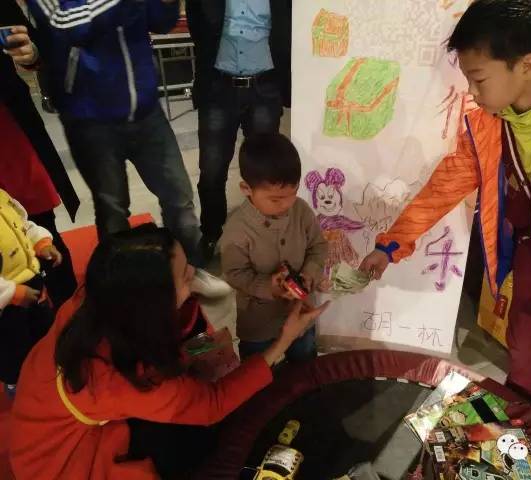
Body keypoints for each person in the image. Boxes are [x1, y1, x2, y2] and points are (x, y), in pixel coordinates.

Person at [359, 0, 531, 458]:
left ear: (526, 65)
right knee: (523, 335)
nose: (472, 92)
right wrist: (392, 244)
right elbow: (444, 185)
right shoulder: (490, 122)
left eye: (479, 79)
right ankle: (519, 402)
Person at [9, 224, 328, 479]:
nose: (195, 276)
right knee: (198, 441)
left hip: (48, 415)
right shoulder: (115, 377)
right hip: (62, 460)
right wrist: (283, 341)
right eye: (184, 276)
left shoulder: (98, 296)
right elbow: (212, 404)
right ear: (152, 303)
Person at [25, 0, 203, 266]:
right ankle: (122, 283)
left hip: (146, 110)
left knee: (180, 200)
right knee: (113, 213)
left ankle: (191, 272)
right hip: (89, 120)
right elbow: (66, 24)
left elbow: (161, 21)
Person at [186, 0, 293, 261]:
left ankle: (264, 234)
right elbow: (197, 28)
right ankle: (211, 233)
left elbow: (287, 30)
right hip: (218, 86)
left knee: (265, 170)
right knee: (212, 170)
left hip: (264, 86)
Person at [220, 134, 328, 362]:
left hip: (300, 314)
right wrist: (268, 287)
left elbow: (318, 246)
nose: (287, 204)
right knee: (258, 374)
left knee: (305, 368)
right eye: (276, 199)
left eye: (293, 194)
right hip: (258, 325)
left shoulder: (301, 211)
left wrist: (310, 273)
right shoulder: (237, 229)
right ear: (246, 189)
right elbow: (234, 274)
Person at [0, 1, 79, 309]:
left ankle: (68, 309)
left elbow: (32, 46)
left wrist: (31, 54)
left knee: (37, 222)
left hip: (7, 128)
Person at [0, 189, 63, 399]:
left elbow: (23, 224)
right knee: (12, 344)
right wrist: (12, 293)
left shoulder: (2, 196)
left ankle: (50, 368)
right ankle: (18, 385)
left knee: (44, 328)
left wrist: (41, 242)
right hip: (5, 300)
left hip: (31, 279)